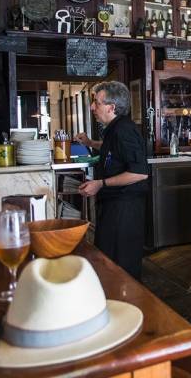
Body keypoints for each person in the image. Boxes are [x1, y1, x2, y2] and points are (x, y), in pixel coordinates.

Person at [76, 81, 149, 280]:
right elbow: (113, 151)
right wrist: (90, 143)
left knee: (121, 267)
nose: (92, 107)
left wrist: (100, 183)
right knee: (109, 262)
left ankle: (129, 306)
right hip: (113, 206)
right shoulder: (114, 129)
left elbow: (140, 173)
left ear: (111, 107)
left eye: (96, 103)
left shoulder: (124, 130)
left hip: (124, 210)